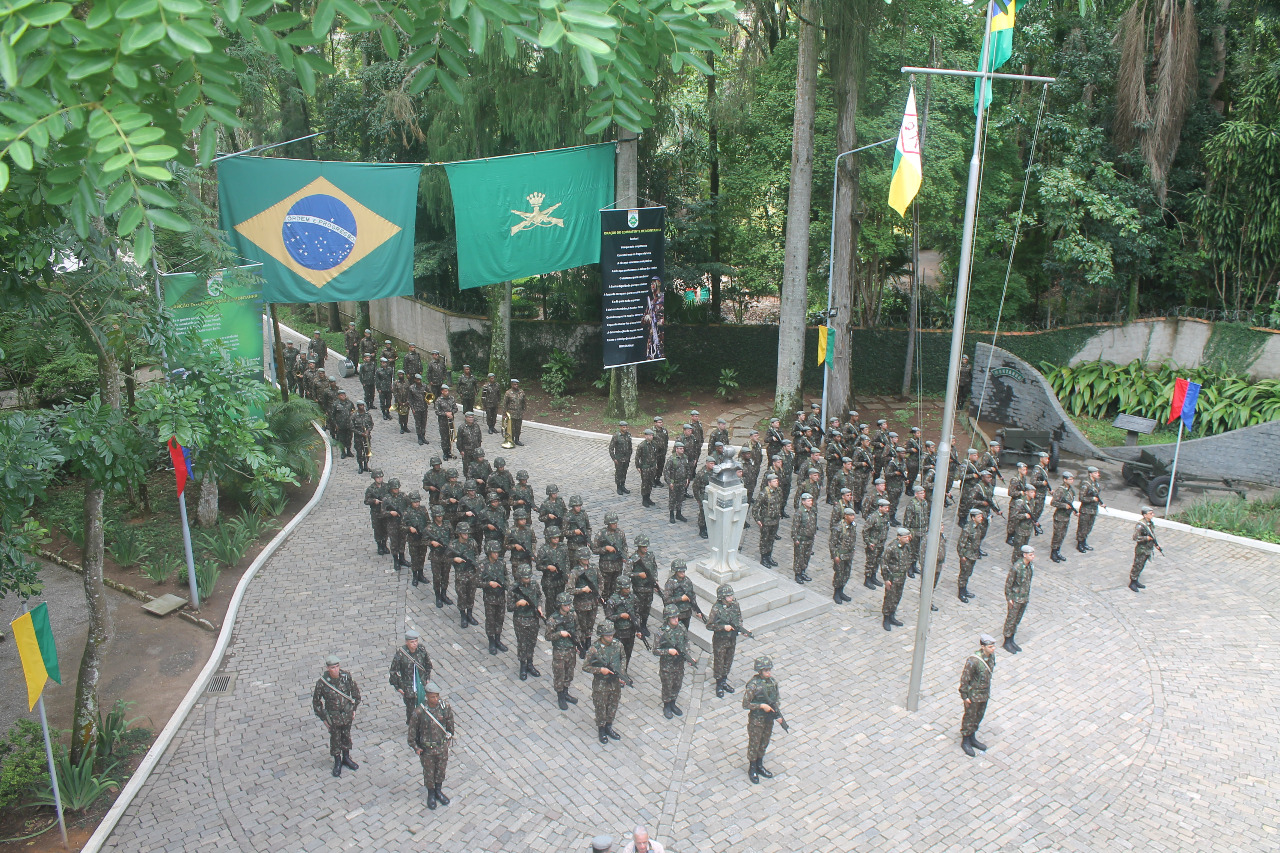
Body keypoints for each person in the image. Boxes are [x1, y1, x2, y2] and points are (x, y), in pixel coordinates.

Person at [312, 655, 361, 778]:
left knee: (346, 736)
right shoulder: (322, 683)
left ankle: (346, 757)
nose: (336, 670)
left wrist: (353, 709)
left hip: (346, 714)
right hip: (333, 717)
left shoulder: (346, 677)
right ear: (328, 668)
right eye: (333, 667)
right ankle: (337, 761)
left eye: (337, 666)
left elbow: (355, 694)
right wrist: (324, 718)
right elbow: (316, 703)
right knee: (335, 739)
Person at [408, 680, 454, 810]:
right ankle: (431, 794)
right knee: (429, 773)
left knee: (440, 770)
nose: (436, 699)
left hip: (441, 747)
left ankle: (438, 790)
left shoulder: (445, 707)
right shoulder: (419, 712)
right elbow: (412, 733)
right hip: (427, 749)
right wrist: (416, 748)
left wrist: (449, 737)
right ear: (427, 696)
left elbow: (450, 723)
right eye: (433, 696)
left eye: (437, 696)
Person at [583, 621, 628, 744]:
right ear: (601, 635)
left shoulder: (617, 644)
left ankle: (609, 726)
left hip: (614, 682)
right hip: (601, 683)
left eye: (612, 635)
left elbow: (623, 657)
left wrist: (621, 673)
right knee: (601, 706)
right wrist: (599, 670)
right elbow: (585, 666)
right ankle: (601, 729)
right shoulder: (594, 649)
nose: (610, 637)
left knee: (613, 704)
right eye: (608, 635)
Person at [742, 655, 783, 784]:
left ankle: (760, 764)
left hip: (768, 718)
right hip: (757, 719)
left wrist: (775, 710)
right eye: (766, 670)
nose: (769, 672)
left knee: (764, 741)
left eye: (769, 670)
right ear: (759, 671)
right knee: (755, 743)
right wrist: (761, 706)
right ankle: (752, 767)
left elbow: (777, 698)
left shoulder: (772, 682)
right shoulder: (753, 685)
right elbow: (745, 704)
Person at [705, 584, 749, 698]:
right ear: (722, 597)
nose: (731, 598)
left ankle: (724, 680)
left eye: (731, 595)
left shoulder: (735, 604)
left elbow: (739, 618)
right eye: (729, 596)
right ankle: (719, 684)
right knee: (719, 662)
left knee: (728, 661)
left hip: (731, 638)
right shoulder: (716, 609)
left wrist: (741, 629)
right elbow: (709, 625)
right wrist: (723, 627)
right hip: (720, 640)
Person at [958, 635, 996, 756]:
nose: (993, 649)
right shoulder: (973, 660)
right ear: (983, 646)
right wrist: (965, 696)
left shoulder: (991, 657)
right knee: (970, 717)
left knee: (978, 716)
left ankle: (972, 737)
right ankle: (966, 740)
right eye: (990, 647)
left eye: (993, 646)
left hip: (984, 694)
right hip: (973, 695)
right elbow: (965, 679)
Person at [388, 629, 432, 725]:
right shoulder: (401, 654)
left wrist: (427, 679)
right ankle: (412, 728)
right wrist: (399, 687)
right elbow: (393, 672)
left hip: (421, 685)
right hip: (408, 687)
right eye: (412, 642)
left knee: (423, 707)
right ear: (406, 642)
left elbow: (428, 665)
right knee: (411, 711)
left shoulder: (421, 650)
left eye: (416, 641)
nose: (415, 644)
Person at [654, 604, 690, 719]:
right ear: (667, 619)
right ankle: (667, 705)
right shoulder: (661, 633)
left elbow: (686, 642)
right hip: (667, 665)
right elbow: (655, 650)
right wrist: (668, 651)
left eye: (677, 617)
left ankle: (673, 703)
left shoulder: (681, 627)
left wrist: (688, 656)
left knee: (677, 684)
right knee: (667, 685)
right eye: (673, 617)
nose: (676, 619)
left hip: (679, 664)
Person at [508, 564, 544, 680]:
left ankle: (530, 663)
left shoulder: (534, 585)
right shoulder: (513, 588)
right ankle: (523, 665)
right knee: (522, 643)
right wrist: (518, 604)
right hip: (520, 619)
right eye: (525, 577)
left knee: (532, 642)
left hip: (533, 618)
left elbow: (539, 596)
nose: (527, 579)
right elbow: (509, 607)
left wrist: (539, 607)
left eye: (528, 577)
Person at [547, 591, 579, 710]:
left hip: (571, 649)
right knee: (559, 674)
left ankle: (566, 692)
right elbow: (548, 636)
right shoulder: (553, 620)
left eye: (569, 605)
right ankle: (560, 696)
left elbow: (577, 629)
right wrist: (560, 634)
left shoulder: (572, 615)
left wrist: (577, 643)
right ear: (560, 605)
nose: (568, 607)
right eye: (566, 605)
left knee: (569, 673)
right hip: (560, 650)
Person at [879, 527, 913, 631]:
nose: (908, 539)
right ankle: (886, 618)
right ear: (899, 537)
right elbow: (884, 563)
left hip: (901, 577)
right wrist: (886, 579)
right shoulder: (892, 548)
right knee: (889, 597)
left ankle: (892, 615)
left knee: (897, 596)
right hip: (892, 578)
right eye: (905, 537)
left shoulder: (906, 546)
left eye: (908, 537)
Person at [480, 542, 510, 656]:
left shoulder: (501, 563)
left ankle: (498, 639)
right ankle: (491, 641)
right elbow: (477, 582)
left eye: (497, 552)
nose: (496, 554)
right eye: (494, 552)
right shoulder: (483, 565)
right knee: (491, 620)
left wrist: (506, 584)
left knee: (500, 619)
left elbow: (506, 577)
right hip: (490, 598)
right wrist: (489, 584)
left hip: (501, 596)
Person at [570, 554, 602, 659]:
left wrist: (599, 594)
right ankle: (581, 644)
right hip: (581, 604)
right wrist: (582, 590)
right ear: (579, 559)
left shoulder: (594, 568)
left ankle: (588, 641)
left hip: (593, 602)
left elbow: (601, 582)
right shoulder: (575, 572)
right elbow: (569, 590)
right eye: (584, 558)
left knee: (590, 624)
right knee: (581, 625)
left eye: (587, 558)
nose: (586, 560)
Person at [1004, 544, 1035, 653]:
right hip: (1016, 598)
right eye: (1030, 555)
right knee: (1011, 619)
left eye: (1033, 555)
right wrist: (1009, 599)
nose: (1033, 557)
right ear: (1024, 555)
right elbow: (1008, 584)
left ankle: (1012, 639)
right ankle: (1007, 641)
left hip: (1024, 597)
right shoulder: (1017, 567)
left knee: (1017, 619)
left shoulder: (1030, 566)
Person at [605, 577, 641, 667]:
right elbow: (609, 617)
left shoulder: (633, 598)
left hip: (630, 631)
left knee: (627, 654)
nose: (628, 590)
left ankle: (624, 671)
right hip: (618, 632)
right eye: (625, 588)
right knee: (617, 654)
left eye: (629, 588)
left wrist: (638, 628)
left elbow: (637, 613)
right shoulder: (613, 600)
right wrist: (620, 616)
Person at [450, 522, 480, 629]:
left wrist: (476, 564)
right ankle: (463, 615)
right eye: (464, 533)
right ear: (459, 533)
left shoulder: (472, 542)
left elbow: (476, 554)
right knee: (462, 595)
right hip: (461, 574)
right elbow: (445, 558)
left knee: (471, 594)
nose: (466, 535)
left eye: (467, 533)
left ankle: (470, 614)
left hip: (471, 573)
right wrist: (454, 559)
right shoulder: (454, 545)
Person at [592, 511, 628, 599]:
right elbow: (594, 549)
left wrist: (624, 555)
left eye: (616, 523)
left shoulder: (620, 533)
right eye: (613, 523)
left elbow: (624, 546)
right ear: (608, 523)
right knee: (605, 586)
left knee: (616, 586)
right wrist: (605, 548)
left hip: (618, 565)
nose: (615, 525)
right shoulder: (601, 534)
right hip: (606, 566)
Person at [752, 471, 783, 568]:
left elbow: (780, 503)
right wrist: (758, 519)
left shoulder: (779, 491)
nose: (776, 483)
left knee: (771, 539)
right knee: (764, 540)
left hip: (775, 520)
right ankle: (764, 558)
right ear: (769, 483)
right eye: (774, 481)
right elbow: (755, 508)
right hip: (766, 521)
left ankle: (769, 556)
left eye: (777, 481)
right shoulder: (764, 493)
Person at [829, 504, 858, 604]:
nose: (852, 517)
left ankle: (841, 591)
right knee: (839, 574)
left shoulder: (853, 526)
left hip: (848, 555)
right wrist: (835, 556)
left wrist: (853, 549)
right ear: (845, 516)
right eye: (850, 515)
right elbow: (832, 543)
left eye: (853, 515)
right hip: (840, 555)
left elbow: (853, 538)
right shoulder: (838, 527)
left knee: (846, 574)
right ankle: (836, 593)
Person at [630, 535, 659, 634]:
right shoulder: (633, 559)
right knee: (638, 608)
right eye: (643, 547)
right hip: (639, 588)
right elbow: (626, 574)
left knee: (647, 607)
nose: (646, 548)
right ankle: (637, 626)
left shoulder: (650, 556)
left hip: (649, 587)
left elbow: (654, 568)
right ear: (638, 547)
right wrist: (638, 574)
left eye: (646, 546)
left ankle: (644, 625)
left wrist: (655, 580)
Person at [663, 558, 701, 629]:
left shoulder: (687, 581)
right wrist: (681, 598)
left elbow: (692, 596)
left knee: (684, 631)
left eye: (683, 571)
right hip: (675, 615)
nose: (682, 573)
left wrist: (696, 610)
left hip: (687, 613)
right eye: (680, 571)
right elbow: (666, 600)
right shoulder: (670, 583)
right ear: (676, 571)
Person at [1130, 505, 1161, 592]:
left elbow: (1152, 534)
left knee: (1141, 565)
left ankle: (1136, 580)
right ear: (1145, 515)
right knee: (1137, 565)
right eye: (1150, 513)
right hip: (1142, 549)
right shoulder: (1140, 526)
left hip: (1148, 549)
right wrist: (1146, 538)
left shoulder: (1150, 524)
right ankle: (1132, 581)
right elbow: (1135, 538)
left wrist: (1156, 544)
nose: (1153, 515)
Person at [1049, 471, 1078, 563]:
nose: (1072, 481)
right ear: (1065, 480)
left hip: (1066, 516)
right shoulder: (1060, 490)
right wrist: (1064, 506)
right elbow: (1053, 502)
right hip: (1060, 516)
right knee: (1057, 534)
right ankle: (1053, 552)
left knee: (1062, 534)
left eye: (1072, 479)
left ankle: (1058, 550)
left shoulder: (1070, 490)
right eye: (1070, 479)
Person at [862, 498, 890, 589]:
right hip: (873, 543)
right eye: (885, 508)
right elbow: (865, 530)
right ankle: (867, 579)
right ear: (880, 507)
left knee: (877, 561)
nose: (887, 509)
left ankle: (873, 577)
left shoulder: (886, 516)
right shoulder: (873, 517)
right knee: (870, 561)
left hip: (881, 543)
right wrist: (868, 542)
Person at [957, 508, 984, 602]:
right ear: (973, 518)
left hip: (973, 554)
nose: (981, 518)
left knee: (968, 573)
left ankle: (965, 590)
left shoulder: (978, 526)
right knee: (963, 574)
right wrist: (962, 556)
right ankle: (961, 593)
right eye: (979, 517)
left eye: (981, 516)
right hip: (967, 555)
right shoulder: (968, 528)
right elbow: (961, 544)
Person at [1076, 466, 1105, 552]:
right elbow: (1081, 498)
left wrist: (1100, 502)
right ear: (1090, 474)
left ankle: (1084, 541)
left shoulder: (1095, 483)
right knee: (1083, 527)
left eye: (1097, 473)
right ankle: (1080, 543)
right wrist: (1092, 499)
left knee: (1089, 526)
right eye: (1095, 473)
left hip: (1093, 509)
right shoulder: (1086, 484)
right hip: (1086, 510)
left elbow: (1097, 495)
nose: (1098, 474)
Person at [791, 492, 818, 584]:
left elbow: (814, 523)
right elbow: (795, 527)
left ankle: (803, 572)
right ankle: (797, 574)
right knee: (799, 557)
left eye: (811, 501)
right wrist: (796, 539)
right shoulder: (799, 513)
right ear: (803, 502)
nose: (811, 502)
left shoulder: (812, 511)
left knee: (806, 556)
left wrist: (814, 533)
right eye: (809, 501)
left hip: (809, 539)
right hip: (801, 539)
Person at [404, 491, 429, 588]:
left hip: (422, 538)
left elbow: (428, 521)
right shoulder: (407, 512)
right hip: (413, 539)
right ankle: (415, 575)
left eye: (418, 501)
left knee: (422, 556)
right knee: (414, 558)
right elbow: (402, 526)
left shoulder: (423, 510)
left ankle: (421, 574)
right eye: (415, 502)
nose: (417, 504)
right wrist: (409, 528)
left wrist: (426, 531)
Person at [364, 468, 389, 556]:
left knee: (386, 529)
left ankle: (384, 544)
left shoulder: (386, 486)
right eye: (378, 478)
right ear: (374, 478)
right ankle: (379, 546)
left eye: (381, 477)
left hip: (385, 512)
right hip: (376, 512)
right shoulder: (371, 489)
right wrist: (374, 501)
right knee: (378, 529)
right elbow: (366, 501)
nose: (380, 479)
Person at [664, 442, 689, 524]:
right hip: (674, 483)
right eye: (680, 448)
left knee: (680, 498)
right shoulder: (671, 459)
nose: (682, 450)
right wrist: (669, 483)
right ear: (676, 449)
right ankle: (671, 514)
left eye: (683, 448)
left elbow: (688, 469)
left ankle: (678, 513)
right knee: (672, 499)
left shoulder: (685, 458)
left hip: (682, 482)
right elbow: (666, 472)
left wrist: (688, 479)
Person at [635, 428, 660, 508]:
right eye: (649, 435)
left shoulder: (654, 444)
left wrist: (655, 463)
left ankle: (648, 498)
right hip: (645, 468)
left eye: (652, 435)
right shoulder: (642, 445)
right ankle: (644, 499)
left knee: (650, 483)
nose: (651, 437)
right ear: (645, 436)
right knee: (645, 484)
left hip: (652, 467)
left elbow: (656, 455)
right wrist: (638, 466)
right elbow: (637, 457)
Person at [642, 275, 665, 360]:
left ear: (658, 283)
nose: (652, 286)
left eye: (653, 283)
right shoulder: (650, 302)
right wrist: (646, 318)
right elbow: (642, 321)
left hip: (660, 337)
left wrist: (658, 323)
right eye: (651, 284)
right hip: (651, 340)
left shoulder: (663, 300)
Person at [693, 457, 715, 539]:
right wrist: (698, 499)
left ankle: (708, 526)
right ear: (707, 463)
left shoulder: (714, 472)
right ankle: (702, 528)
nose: (713, 465)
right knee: (703, 512)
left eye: (713, 463)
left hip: (711, 495)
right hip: (703, 495)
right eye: (711, 463)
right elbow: (695, 487)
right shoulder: (701, 474)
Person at [609, 421, 633, 495]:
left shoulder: (628, 435)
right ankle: (618, 487)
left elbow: (630, 446)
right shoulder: (616, 436)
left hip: (626, 458)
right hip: (619, 458)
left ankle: (623, 485)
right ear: (620, 427)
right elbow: (611, 448)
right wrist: (614, 458)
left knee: (624, 472)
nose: (625, 428)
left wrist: (629, 455)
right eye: (623, 427)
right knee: (619, 473)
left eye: (626, 427)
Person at [331, 389, 356, 458]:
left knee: (349, 438)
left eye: (344, 395)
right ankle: (343, 452)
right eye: (341, 395)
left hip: (349, 424)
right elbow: (332, 415)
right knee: (341, 439)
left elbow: (353, 411)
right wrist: (335, 424)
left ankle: (348, 451)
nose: (343, 396)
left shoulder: (349, 403)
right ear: (338, 396)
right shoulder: (335, 404)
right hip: (340, 425)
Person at [502, 378, 527, 445]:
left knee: (518, 428)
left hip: (519, 413)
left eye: (517, 384)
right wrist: (504, 414)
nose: (516, 385)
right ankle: (510, 439)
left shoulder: (521, 392)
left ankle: (517, 439)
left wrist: (524, 411)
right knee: (511, 428)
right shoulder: (508, 393)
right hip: (511, 414)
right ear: (512, 385)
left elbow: (524, 402)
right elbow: (505, 404)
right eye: (514, 384)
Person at [435, 383, 457, 457]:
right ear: (442, 391)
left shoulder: (451, 398)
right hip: (443, 422)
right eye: (445, 391)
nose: (447, 392)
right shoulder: (439, 400)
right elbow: (437, 411)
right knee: (444, 438)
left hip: (450, 421)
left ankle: (449, 451)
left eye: (447, 391)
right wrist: (445, 414)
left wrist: (452, 412)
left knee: (450, 436)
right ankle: (445, 452)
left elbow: (455, 408)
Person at [408, 373, 429, 445]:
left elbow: (430, 394)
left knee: (424, 423)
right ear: (414, 380)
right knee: (418, 423)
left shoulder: (425, 386)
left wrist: (428, 399)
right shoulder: (411, 388)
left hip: (424, 407)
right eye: (417, 379)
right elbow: (410, 399)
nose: (418, 381)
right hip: (416, 408)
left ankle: (423, 436)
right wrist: (412, 408)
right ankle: (419, 437)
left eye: (419, 379)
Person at [352, 402, 373, 474]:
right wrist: (361, 433)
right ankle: (360, 466)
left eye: (363, 405)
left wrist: (368, 431)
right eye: (360, 405)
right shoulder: (354, 415)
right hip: (358, 437)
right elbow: (352, 427)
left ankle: (365, 465)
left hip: (366, 437)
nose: (362, 407)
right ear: (357, 406)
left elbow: (371, 424)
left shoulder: (367, 414)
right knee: (359, 452)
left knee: (367, 451)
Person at [652, 416, 670, 487]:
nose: (661, 424)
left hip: (662, 452)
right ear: (655, 423)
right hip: (655, 453)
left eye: (661, 422)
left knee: (660, 466)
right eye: (659, 422)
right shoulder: (652, 431)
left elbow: (666, 440)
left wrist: (665, 448)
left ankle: (658, 479)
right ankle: (652, 480)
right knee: (654, 467)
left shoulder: (664, 430)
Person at [393, 370, 411, 434]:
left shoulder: (407, 382)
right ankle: (401, 427)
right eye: (399, 375)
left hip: (406, 400)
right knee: (400, 414)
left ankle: (406, 426)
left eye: (402, 374)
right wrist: (398, 401)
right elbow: (395, 392)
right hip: (399, 400)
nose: (401, 376)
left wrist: (408, 400)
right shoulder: (395, 383)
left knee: (406, 413)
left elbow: (409, 391)